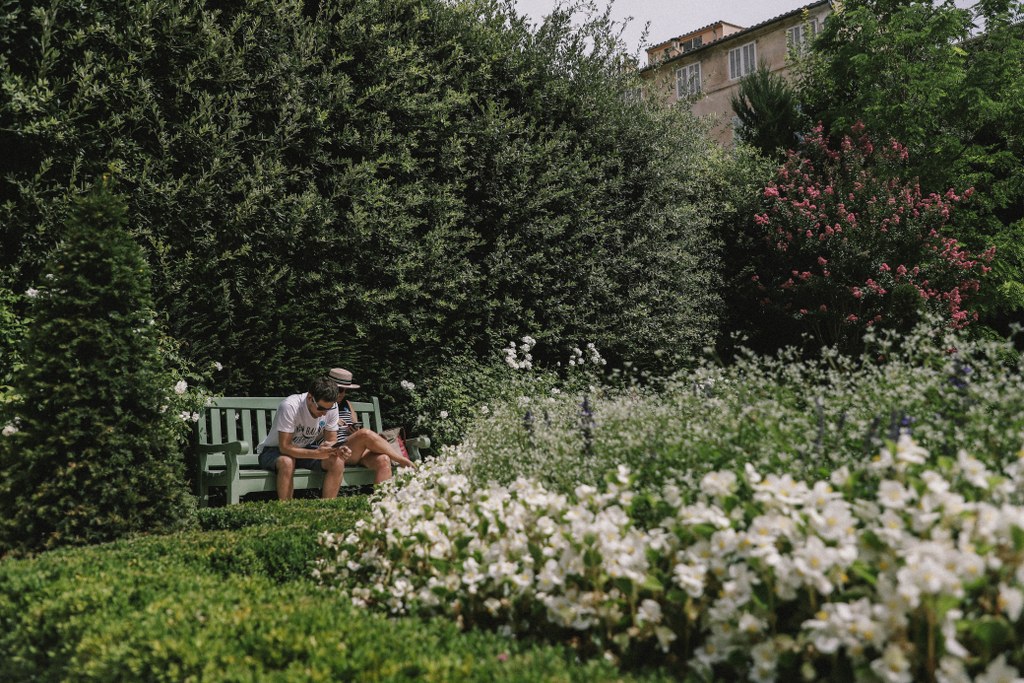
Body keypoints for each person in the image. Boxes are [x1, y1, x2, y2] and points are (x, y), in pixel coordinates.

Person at [257, 376, 348, 500]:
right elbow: (285, 447)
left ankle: (328, 509)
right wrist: (317, 454)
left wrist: (336, 449)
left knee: (337, 461)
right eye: (321, 408)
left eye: (328, 409)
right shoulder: (290, 406)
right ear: (310, 398)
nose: (325, 413)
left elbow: (332, 440)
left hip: (305, 450)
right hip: (274, 450)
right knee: (287, 461)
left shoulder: (331, 407)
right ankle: (287, 511)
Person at [328, 367, 416, 483]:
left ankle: (381, 500)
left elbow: (356, 429)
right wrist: (333, 421)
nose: (342, 394)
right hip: (338, 451)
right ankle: (401, 460)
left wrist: (353, 430)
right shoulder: (322, 404)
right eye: (340, 390)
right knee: (365, 433)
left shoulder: (347, 405)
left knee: (383, 460)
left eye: (345, 390)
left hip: (355, 450)